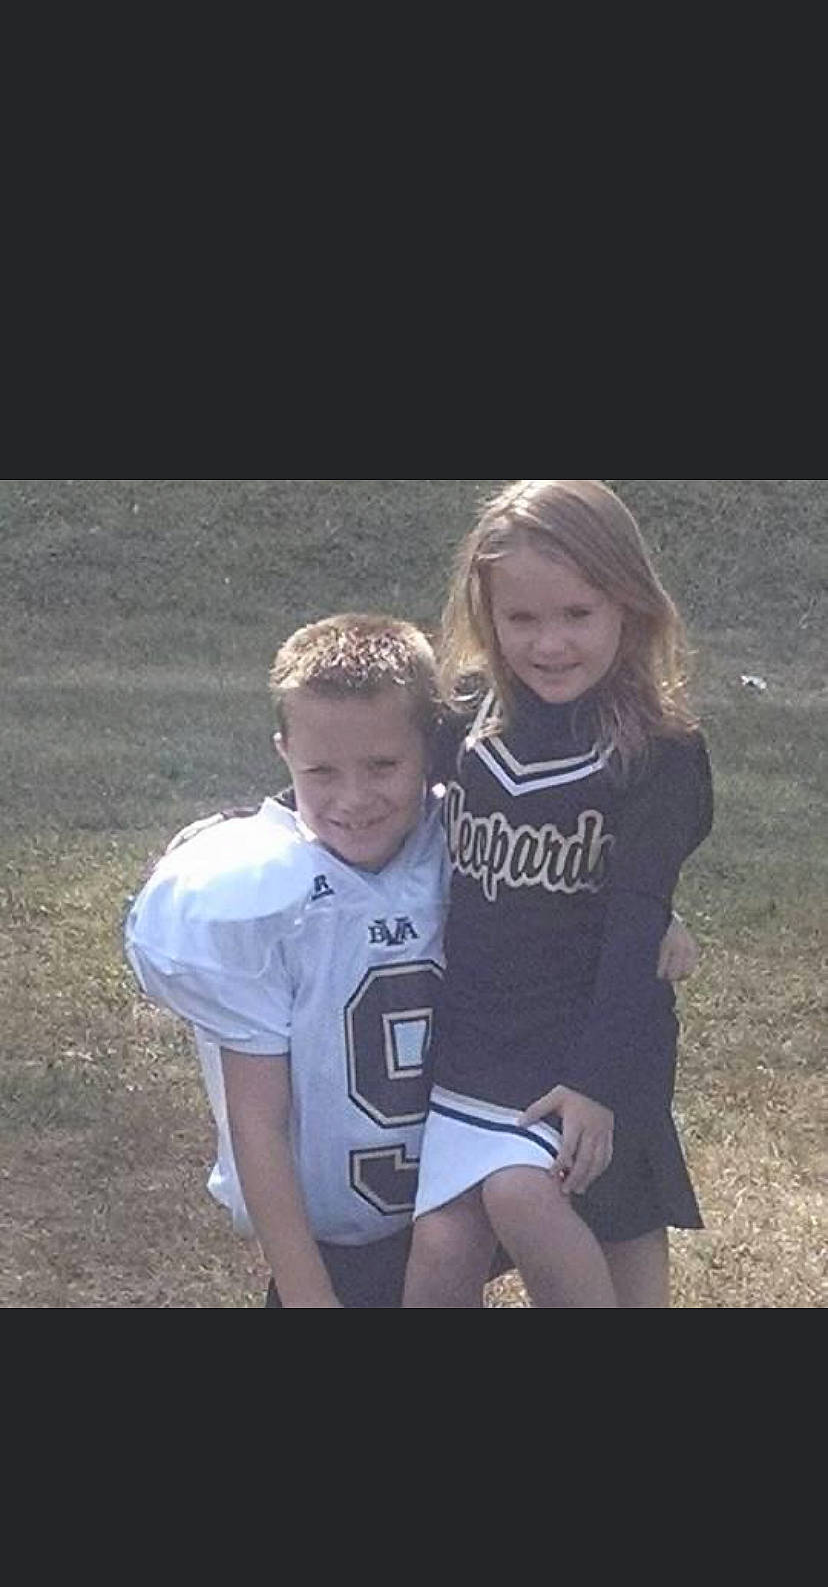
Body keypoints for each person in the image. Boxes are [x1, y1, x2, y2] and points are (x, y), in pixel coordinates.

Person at [125, 609, 699, 1309]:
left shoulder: (456, 838)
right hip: (338, 1239)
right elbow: (257, 1120)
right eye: (321, 772)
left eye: (383, 766)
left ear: (432, 749)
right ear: (284, 753)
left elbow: (553, 890)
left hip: (458, 1175)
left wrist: (655, 916)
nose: (354, 799)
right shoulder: (251, 893)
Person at [403, 480, 714, 1309]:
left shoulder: (660, 750)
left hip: (593, 1041)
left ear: (630, 604)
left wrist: (599, 1083)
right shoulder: (462, 715)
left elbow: (632, 922)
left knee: (560, 1219)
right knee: (439, 1246)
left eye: (577, 614)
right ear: (486, 612)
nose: (549, 644)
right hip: (474, 1045)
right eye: (522, 619)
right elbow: (372, 795)